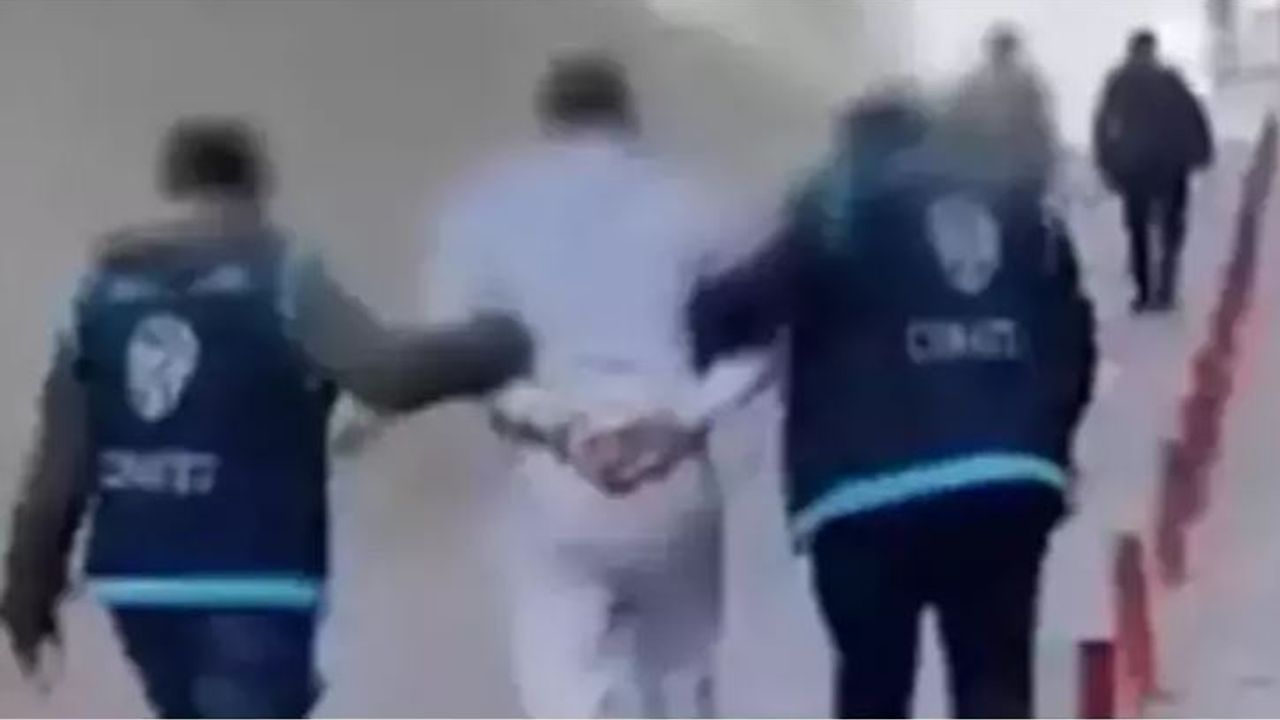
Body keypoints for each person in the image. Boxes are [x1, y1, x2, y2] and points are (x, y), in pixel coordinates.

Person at [0, 118, 531, 717]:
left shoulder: (97, 294)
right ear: (256, 188)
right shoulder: (281, 275)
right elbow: (388, 375)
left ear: (172, 187)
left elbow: (59, 466)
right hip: (254, 572)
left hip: (140, 584)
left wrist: (28, 591)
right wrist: (502, 341)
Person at [690, 93, 1097, 718]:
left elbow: (733, 315)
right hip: (1007, 482)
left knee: (874, 686)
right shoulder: (1017, 207)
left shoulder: (837, 206)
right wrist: (1047, 438)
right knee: (995, 683)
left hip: (864, 494)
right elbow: (1072, 340)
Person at [422, 54, 771, 717]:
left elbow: (459, 354)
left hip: (553, 471)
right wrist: (683, 418)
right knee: (682, 682)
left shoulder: (486, 209)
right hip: (672, 468)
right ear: (628, 115)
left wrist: (563, 427)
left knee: (564, 684)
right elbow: (758, 341)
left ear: (548, 119)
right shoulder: (694, 197)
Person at [1093, 29, 1214, 312]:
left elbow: (1104, 124)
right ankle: (1165, 287)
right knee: (1170, 227)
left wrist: (1107, 159)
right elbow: (1193, 115)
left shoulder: (1119, 82)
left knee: (1138, 230)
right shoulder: (1169, 79)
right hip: (1169, 164)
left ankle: (1144, 290)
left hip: (1135, 166)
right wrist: (1200, 151)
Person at [946, 23, 1058, 203]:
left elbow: (1041, 124)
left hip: (1007, 169)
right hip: (1005, 169)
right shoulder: (982, 82)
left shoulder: (980, 81)